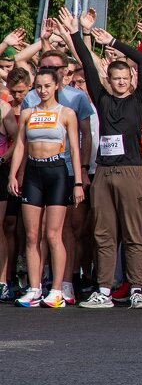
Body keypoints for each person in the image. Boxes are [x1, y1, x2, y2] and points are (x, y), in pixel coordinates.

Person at [66, 13, 142, 309]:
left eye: (124, 79)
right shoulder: (101, 99)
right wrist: (77, 33)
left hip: (130, 170)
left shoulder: (139, 100)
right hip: (103, 170)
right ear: (109, 80)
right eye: (115, 79)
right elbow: (88, 66)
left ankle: (137, 288)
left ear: (130, 81)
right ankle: (103, 289)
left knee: (133, 233)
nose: (120, 83)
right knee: (103, 232)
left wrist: (113, 41)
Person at [8, 67, 85, 307]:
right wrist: (13, 175)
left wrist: (78, 182)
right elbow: (20, 145)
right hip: (33, 173)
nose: (42, 91)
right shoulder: (28, 113)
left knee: (54, 234)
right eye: (39, 86)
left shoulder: (67, 113)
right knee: (32, 236)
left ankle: (57, 289)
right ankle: (34, 288)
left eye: (47, 86)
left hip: (57, 172)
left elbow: (74, 149)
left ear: (56, 86)